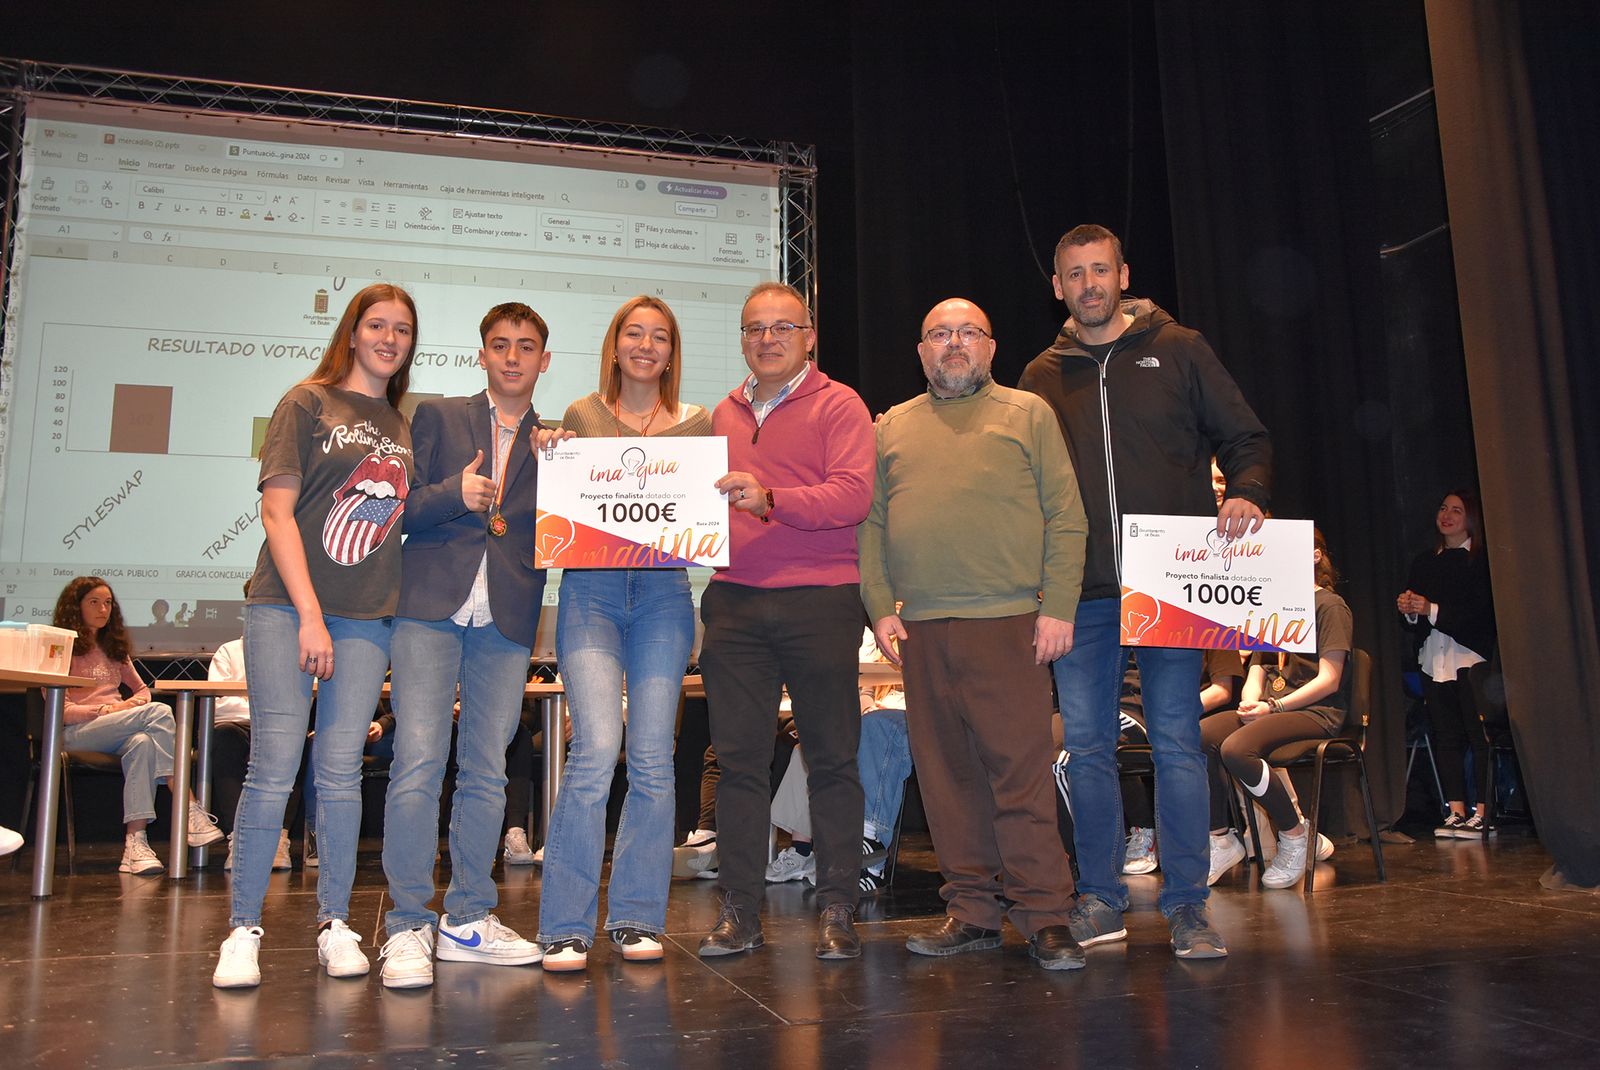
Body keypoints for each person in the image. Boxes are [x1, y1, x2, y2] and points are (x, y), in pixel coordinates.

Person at [1019, 224, 1271, 960]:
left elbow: (1247, 438)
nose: (1089, 284)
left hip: (1172, 584)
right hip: (1083, 592)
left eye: (1100, 270)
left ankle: (1188, 906)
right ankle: (1100, 899)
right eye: (1075, 274)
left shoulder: (1181, 349)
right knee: (1087, 750)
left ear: (1123, 274)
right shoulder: (1040, 376)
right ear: (1058, 287)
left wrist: (1248, 492)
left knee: (1178, 747)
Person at [860, 298, 1088, 969]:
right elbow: (871, 526)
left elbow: (1066, 516)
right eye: (939, 334)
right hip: (921, 631)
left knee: (1020, 779)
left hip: (1012, 624)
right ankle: (972, 913)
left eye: (968, 333)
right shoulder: (891, 426)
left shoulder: (1029, 413)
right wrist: (880, 607)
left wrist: (1059, 607)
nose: (954, 343)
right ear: (921, 351)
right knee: (946, 781)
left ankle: (1046, 916)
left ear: (990, 347)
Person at [211, 282, 417, 989]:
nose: (389, 339)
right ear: (352, 333)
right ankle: (243, 930)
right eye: (377, 325)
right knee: (272, 768)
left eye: (402, 329)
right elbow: (277, 513)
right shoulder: (306, 402)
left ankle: (335, 923)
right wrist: (308, 615)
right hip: (286, 609)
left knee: (338, 773)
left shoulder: (402, 424)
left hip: (367, 617)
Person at [376, 302, 552, 989]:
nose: (512, 357)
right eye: (500, 345)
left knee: (486, 770)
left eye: (526, 346)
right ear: (481, 355)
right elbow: (398, 507)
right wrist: (456, 491)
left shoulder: (557, 442)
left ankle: (470, 917)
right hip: (429, 607)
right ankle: (407, 924)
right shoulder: (437, 416)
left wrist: (566, 469)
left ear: (544, 361)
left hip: (507, 615)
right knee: (418, 761)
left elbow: (564, 532)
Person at [697, 281, 874, 961]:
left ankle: (838, 907)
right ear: (742, 339)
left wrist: (772, 499)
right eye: (754, 328)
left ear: (809, 336)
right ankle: (739, 911)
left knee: (831, 759)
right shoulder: (721, 413)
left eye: (782, 327)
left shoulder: (841, 404)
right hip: (734, 603)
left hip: (820, 601)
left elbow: (853, 496)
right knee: (739, 763)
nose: (767, 339)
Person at [534, 296, 710, 971]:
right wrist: (549, 450)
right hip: (592, 592)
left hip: (665, 594)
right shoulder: (580, 414)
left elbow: (700, 508)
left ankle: (637, 918)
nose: (645, 345)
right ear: (614, 345)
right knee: (596, 748)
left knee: (654, 759)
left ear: (671, 352)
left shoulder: (697, 423)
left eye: (659, 336)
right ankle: (565, 925)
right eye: (633, 333)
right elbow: (566, 494)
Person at [1203, 530, 1353, 888]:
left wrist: (1274, 706)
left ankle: (1295, 835)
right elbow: (1259, 665)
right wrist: (1252, 698)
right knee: (1199, 736)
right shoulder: (1277, 604)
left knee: (1236, 749)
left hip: (1316, 711)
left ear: (1315, 555)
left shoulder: (1330, 606)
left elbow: (1330, 680)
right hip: (1272, 707)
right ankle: (1220, 839)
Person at [53, 576, 224, 875]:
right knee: (159, 711)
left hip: (115, 728)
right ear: (75, 607)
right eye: (94, 602)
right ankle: (187, 807)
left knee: (143, 743)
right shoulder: (61, 647)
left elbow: (142, 690)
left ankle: (135, 844)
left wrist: (129, 705)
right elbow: (62, 711)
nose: (103, 609)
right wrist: (108, 709)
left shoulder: (113, 648)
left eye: (108, 603)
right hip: (75, 733)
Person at [766, 630, 908, 896]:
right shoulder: (874, 640)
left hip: (904, 720)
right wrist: (868, 706)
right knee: (808, 749)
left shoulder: (919, 636)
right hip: (872, 715)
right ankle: (801, 851)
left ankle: (866, 852)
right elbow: (865, 690)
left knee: (876, 730)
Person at [1398, 490, 1497, 838]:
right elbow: (1415, 620)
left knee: (1478, 735)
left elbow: (1479, 614)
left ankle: (1483, 812)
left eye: (1457, 510)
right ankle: (1456, 810)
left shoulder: (1480, 562)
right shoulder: (1425, 561)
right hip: (1434, 657)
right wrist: (1410, 610)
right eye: (1443, 508)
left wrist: (1431, 609)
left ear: (1471, 519)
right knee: (1445, 735)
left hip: (1470, 657)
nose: (1447, 515)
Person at [208, 599, 299, 873]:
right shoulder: (228, 651)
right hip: (237, 725)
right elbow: (219, 704)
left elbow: (298, 701)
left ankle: (278, 839)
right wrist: (264, 706)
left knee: (299, 743)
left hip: (280, 726)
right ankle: (239, 839)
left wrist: (252, 701)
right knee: (224, 738)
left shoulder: (293, 650)